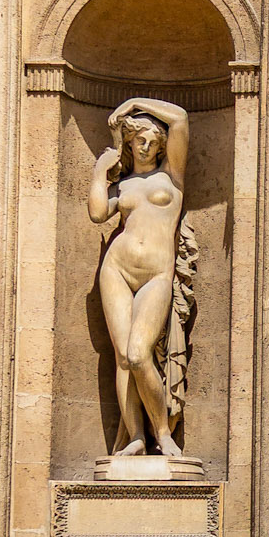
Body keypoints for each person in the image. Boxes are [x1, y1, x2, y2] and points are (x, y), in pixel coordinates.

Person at [88, 98, 192, 459]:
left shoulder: (172, 175)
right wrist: (100, 173)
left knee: (137, 353)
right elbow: (98, 214)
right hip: (117, 269)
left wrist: (133, 104)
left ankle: (162, 434)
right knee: (122, 357)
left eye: (151, 140)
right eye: (138, 140)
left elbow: (180, 118)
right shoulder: (125, 185)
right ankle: (135, 436)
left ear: (161, 145)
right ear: (129, 144)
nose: (145, 146)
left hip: (156, 274)